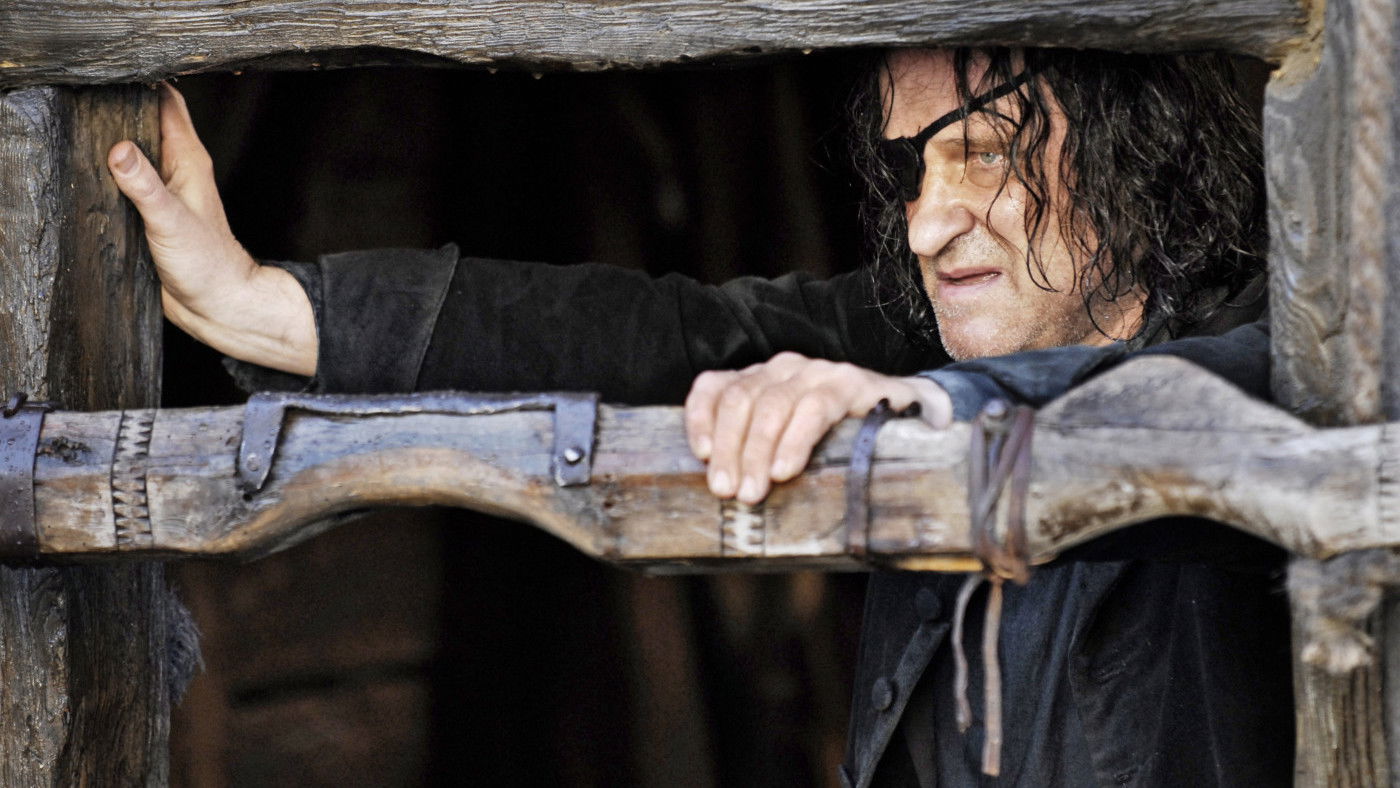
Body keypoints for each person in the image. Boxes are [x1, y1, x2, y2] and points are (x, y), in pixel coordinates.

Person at [107, 47, 1289, 786]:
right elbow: (662, 331)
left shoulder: (1277, 351)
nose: (928, 225)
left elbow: (1187, 406)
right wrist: (266, 308)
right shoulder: (916, 336)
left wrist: (932, 411)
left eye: (981, 154)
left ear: (1133, 154)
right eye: (909, 174)